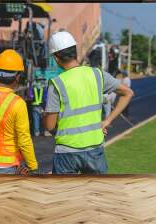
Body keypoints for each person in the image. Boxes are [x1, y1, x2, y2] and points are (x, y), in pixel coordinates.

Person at [44, 31, 134, 174]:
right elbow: (128, 93)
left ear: (56, 58)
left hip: (66, 153)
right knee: (95, 194)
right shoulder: (97, 74)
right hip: (94, 150)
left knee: (65, 195)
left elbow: (50, 125)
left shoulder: (56, 83)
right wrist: (107, 121)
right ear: (76, 51)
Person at [0, 49, 38, 175]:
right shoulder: (17, 103)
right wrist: (32, 166)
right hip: (6, 165)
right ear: (18, 77)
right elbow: (24, 139)